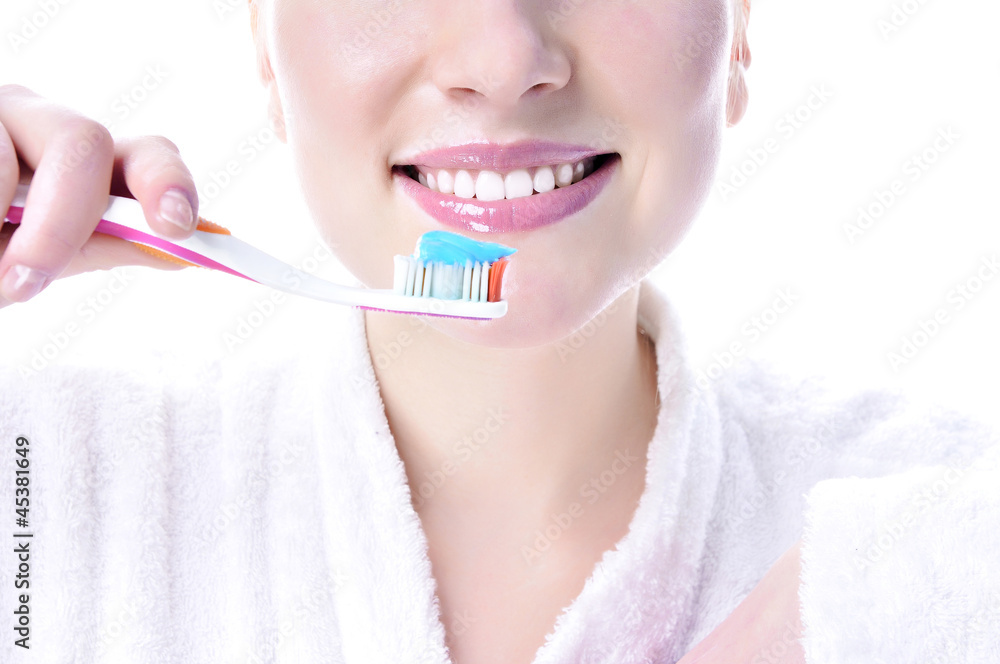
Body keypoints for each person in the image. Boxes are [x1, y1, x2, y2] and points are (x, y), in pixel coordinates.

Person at [1, 1, 998, 662]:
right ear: (265, 47)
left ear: (738, 26)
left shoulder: (940, 539)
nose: (504, 58)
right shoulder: (41, 494)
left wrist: (885, 600)